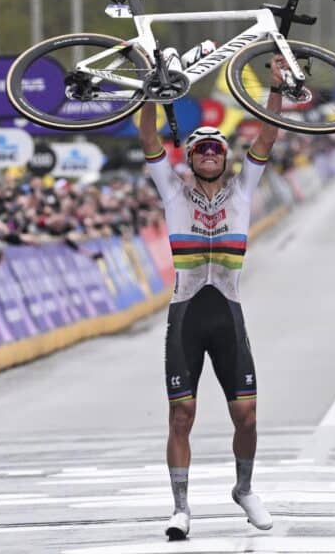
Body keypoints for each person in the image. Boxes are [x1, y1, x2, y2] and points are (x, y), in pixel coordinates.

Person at [139, 56, 285, 540]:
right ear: (191, 159)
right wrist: (149, 98)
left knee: (246, 414)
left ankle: (244, 489)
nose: (206, 155)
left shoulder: (243, 190)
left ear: (225, 159)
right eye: (199, 150)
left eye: (214, 151)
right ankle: (180, 508)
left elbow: (266, 137)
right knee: (182, 415)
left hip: (228, 316)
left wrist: (276, 85)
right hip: (185, 316)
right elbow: (149, 142)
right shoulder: (174, 193)